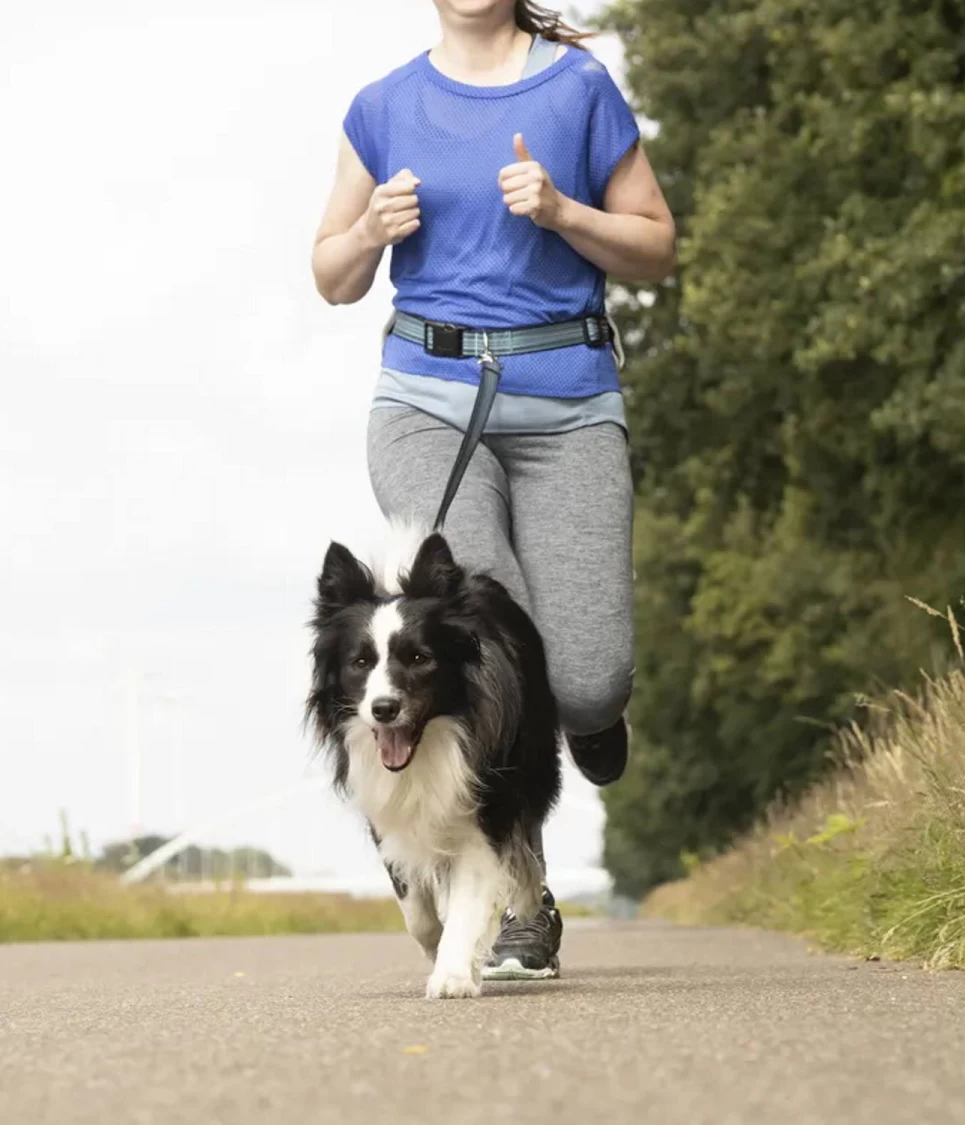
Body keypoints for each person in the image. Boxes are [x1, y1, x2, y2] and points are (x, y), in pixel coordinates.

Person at [310, 0, 675, 980]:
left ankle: (591, 718)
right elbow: (331, 275)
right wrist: (370, 233)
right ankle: (519, 895)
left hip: (569, 405)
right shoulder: (384, 105)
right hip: (428, 400)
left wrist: (563, 213)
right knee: (488, 639)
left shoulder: (579, 87)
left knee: (587, 677)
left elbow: (656, 245)